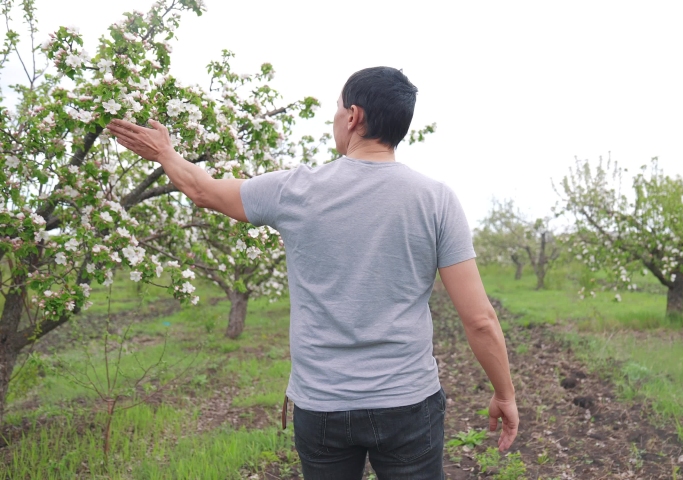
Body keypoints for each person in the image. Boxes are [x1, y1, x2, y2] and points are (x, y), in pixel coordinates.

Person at [108, 66, 518, 479]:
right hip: (407, 402)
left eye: (338, 110)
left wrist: (165, 153)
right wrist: (504, 393)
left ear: (354, 116)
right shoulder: (436, 200)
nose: (336, 119)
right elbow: (479, 320)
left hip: (322, 405)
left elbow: (202, 190)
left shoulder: (295, 189)